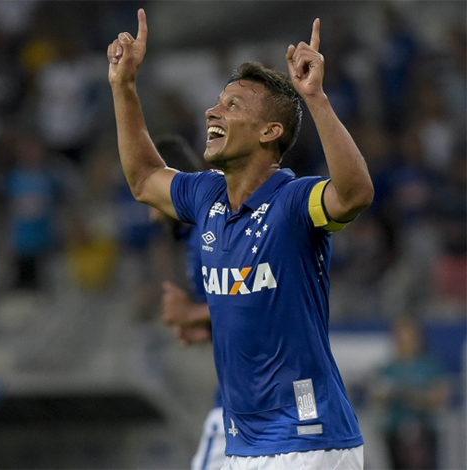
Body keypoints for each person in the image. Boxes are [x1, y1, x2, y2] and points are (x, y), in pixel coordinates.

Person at [108, 9, 374, 469]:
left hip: (309, 436)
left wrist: (315, 99)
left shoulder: (293, 202)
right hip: (243, 444)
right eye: (217, 101)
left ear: (270, 132)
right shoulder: (206, 196)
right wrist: (124, 86)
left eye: (233, 105)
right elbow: (145, 178)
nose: (213, 110)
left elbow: (354, 193)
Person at [151, 135, 226, 470]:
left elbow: (260, 297)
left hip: (250, 399)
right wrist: (204, 328)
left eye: (151, 203)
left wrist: (192, 312)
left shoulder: (210, 232)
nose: (153, 217)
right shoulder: (202, 231)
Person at [371, 316, 451, 470]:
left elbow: (440, 396)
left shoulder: (431, 366)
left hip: (425, 431)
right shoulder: (387, 369)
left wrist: (410, 395)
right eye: (401, 338)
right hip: (394, 433)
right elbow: (377, 396)